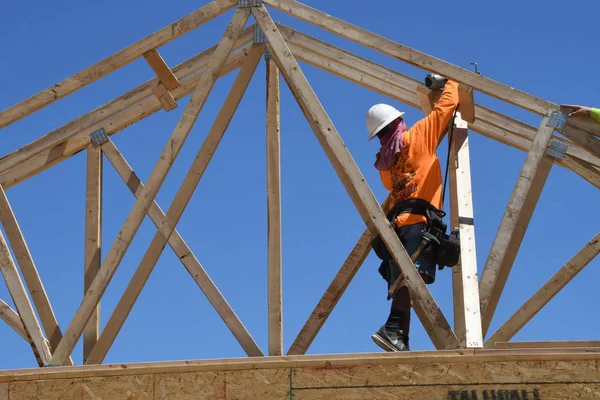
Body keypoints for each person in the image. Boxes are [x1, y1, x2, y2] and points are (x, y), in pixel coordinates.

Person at [366, 78, 460, 352]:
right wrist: (451, 80)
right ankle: (393, 328)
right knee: (410, 279)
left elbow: (390, 185)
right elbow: (446, 108)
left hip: (397, 227)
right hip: (418, 223)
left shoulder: (385, 163)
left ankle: (399, 338)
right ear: (398, 123)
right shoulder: (417, 137)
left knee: (404, 283)